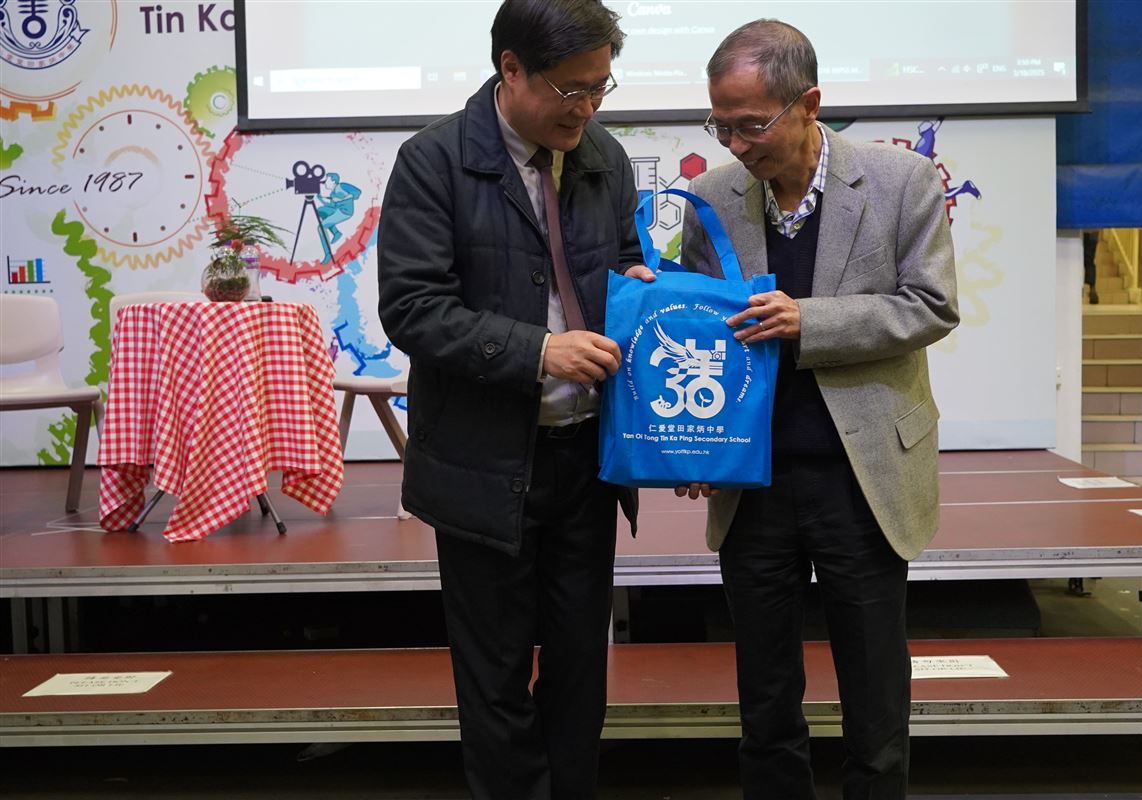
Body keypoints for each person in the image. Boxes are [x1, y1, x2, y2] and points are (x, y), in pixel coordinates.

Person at [673, 19, 959, 800]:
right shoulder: (711, 197)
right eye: (720, 126)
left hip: (862, 475)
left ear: (809, 104)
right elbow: (702, 332)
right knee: (765, 698)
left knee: (874, 694)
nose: (735, 144)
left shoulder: (902, 182)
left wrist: (810, 321)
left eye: (750, 125)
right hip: (753, 481)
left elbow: (931, 305)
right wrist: (696, 444)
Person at [376, 2, 645, 798]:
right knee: (493, 673)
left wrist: (638, 291)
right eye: (570, 89)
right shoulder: (433, 161)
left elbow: (624, 258)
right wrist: (537, 351)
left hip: (586, 460)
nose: (586, 108)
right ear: (511, 69)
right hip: (483, 463)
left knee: (580, 666)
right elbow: (413, 309)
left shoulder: (604, 157)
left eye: (600, 87)